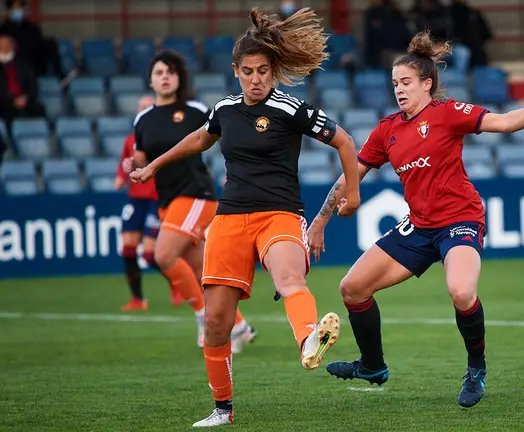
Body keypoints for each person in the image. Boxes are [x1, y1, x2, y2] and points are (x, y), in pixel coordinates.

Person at [307, 31, 524, 408]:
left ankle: (476, 367)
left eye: (406, 82)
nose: (399, 90)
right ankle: (373, 366)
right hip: (419, 225)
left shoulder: (447, 114)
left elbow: (506, 122)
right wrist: (320, 221)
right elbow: (351, 175)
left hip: (460, 219)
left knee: (462, 292)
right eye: (395, 83)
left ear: (427, 85)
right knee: (352, 288)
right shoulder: (387, 130)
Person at [130, 8, 361, 427]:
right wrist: (152, 167)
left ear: (274, 72)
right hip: (230, 219)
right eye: (249, 71)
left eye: (264, 71)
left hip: (280, 214)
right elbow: (199, 139)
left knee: (289, 277)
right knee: (217, 323)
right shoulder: (224, 110)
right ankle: (223, 409)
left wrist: (355, 194)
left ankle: (309, 337)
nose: (257, 79)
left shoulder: (291, 109)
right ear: (236, 71)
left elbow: (345, 142)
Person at [127, 50, 255, 352]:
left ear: (180, 78)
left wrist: (234, 173)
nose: (165, 77)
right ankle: (237, 325)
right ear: (150, 80)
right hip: (168, 200)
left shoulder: (197, 110)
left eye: (171, 71)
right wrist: (132, 168)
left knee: (163, 255)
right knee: (202, 272)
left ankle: (204, 316)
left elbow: (230, 141)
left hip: (196, 193)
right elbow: (140, 162)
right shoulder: (142, 119)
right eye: (159, 72)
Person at [116, 95, 185, 311]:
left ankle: (177, 282)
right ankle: (138, 299)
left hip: (156, 197)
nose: (143, 110)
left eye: (148, 107)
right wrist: (121, 175)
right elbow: (125, 165)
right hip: (135, 198)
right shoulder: (130, 140)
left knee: (149, 253)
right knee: (127, 249)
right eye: (141, 107)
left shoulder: (160, 137)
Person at [0, 0, 64, 78]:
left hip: (33, 62)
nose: (18, 11)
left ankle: (61, 77)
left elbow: (39, 43)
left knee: (50, 43)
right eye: (15, 8)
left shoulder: (30, 27)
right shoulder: (4, 29)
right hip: (15, 63)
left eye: (20, 8)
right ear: (9, 11)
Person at [0, 34, 44, 134]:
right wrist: (12, 99)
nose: (3, 46)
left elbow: (32, 84)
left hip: (24, 99)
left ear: (12, 46)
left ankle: (36, 135)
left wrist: (26, 97)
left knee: (38, 109)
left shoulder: (23, 63)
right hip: (4, 102)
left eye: (6, 44)